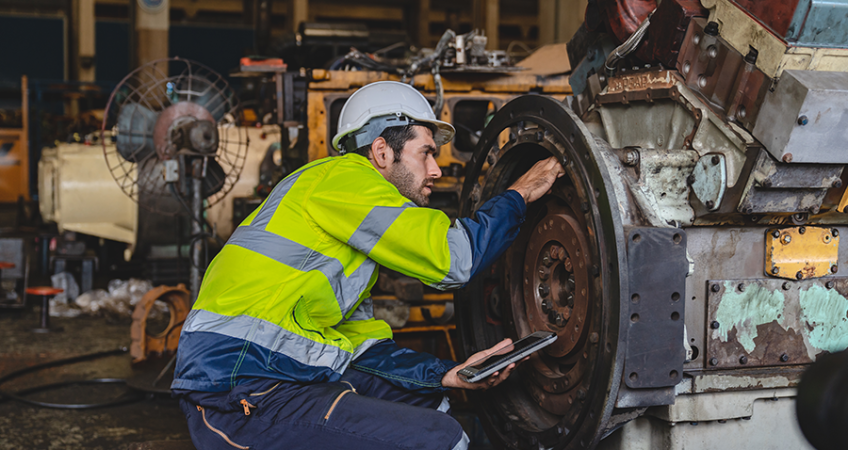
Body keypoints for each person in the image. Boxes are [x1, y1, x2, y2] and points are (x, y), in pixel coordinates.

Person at [171, 81, 564, 449]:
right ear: (381, 152)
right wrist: (519, 194)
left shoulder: (346, 234)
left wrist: (446, 374)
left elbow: (356, 347)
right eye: (426, 153)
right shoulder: (344, 180)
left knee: (433, 406)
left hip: (272, 375)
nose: (436, 171)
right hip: (236, 385)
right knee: (441, 439)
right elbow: (455, 259)